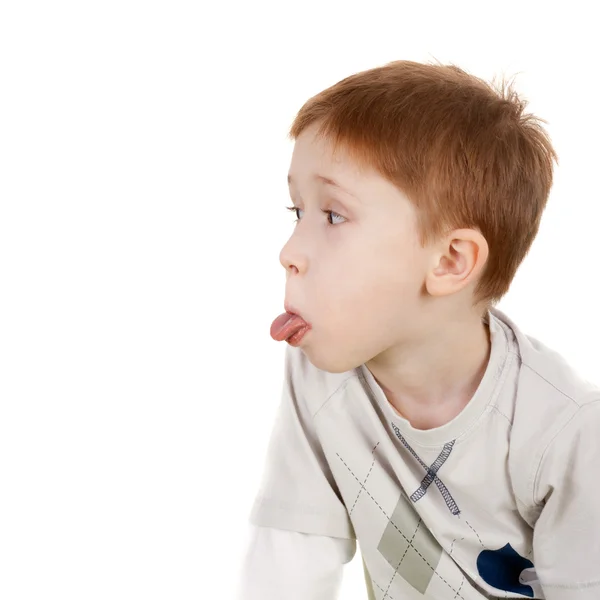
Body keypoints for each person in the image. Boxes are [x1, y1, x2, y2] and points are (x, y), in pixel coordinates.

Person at [234, 60, 600, 599]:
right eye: (297, 210)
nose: (288, 253)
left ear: (451, 260)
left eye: (333, 215)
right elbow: (289, 561)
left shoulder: (564, 430)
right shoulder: (319, 373)